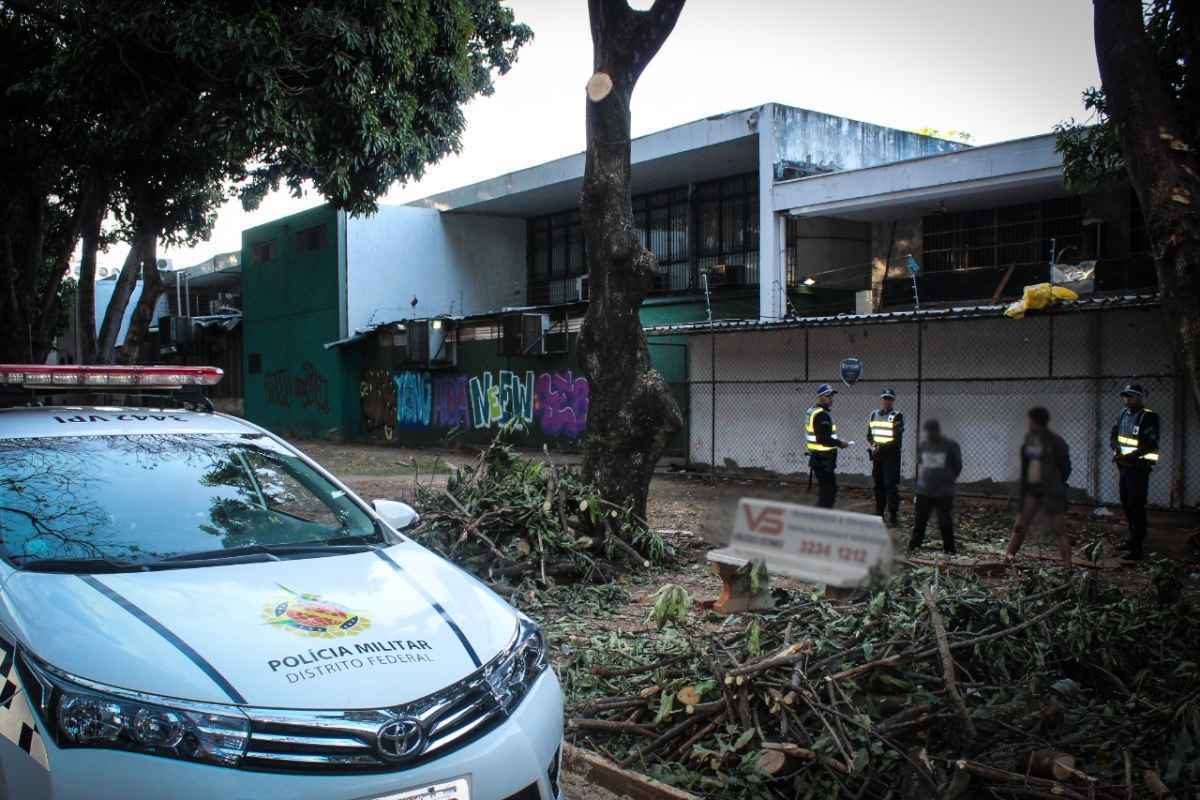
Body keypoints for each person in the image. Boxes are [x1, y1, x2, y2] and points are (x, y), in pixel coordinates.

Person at [1005, 406, 1073, 567]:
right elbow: (1027, 466)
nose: (1028, 424)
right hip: (1033, 491)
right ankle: (1007, 560)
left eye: (1030, 421)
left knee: (1059, 530)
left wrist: (1055, 485)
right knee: (1019, 527)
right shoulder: (1030, 440)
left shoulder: (1056, 442)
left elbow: (1066, 468)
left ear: (1036, 422)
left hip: (1052, 492)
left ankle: (1068, 565)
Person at [1109, 383, 1160, 560]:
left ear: (1139, 397)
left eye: (1131, 396)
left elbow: (1149, 444)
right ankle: (1132, 540)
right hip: (1124, 467)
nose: (1127, 399)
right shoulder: (1123, 414)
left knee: (1136, 505)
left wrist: (1128, 457)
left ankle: (1137, 548)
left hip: (1139, 468)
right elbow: (1114, 435)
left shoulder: (1148, 417)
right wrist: (1116, 450)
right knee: (1126, 503)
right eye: (1125, 396)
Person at [908, 419, 962, 555]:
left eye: (932, 431)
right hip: (924, 491)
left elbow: (958, 466)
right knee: (920, 520)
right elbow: (922, 464)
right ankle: (914, 546)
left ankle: (949, 549)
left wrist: (948, 480)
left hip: (943, 492)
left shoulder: (950, 445)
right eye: (928, 432)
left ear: (938, 431)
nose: (930, 434)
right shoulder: (924, 446)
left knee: (945, 521)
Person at [805, 383, 849, 508]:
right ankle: (822, 519)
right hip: (823, 459)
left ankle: (820, 517)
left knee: (826, 491)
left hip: (818, 458)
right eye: (828, 395)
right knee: (828, 492)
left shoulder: (812, 411)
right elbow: (823, 439)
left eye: (832, 396)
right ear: (820, 397)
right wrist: (840, 443)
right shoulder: (821, 414)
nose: (831, 398)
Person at [868, 388, 905, 526]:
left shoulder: (897, 416)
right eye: (884, 398)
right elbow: (869, 435)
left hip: (891, 455)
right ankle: (879, 513)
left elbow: (896, 438)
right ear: (881, 399)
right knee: (878, 485)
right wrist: (873, 444)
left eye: (889, 398)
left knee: (890, 485)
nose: (886, 401)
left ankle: (893, 516)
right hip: (878, 456)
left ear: (893, 400)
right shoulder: (874, 414)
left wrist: (879, 448)